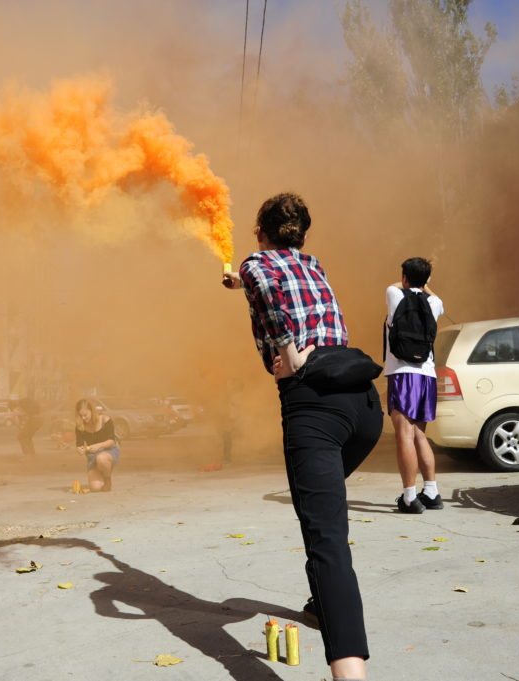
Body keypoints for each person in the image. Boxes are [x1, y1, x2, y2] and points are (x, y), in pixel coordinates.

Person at [223, 192, 382, 681]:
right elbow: (278, 284)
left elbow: (269, 290)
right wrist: (238, 281)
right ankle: (321, 604)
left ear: (259, 232)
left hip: (314, 407)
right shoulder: (312, 265)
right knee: (323, 515)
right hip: (364, 408)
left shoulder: (257, 265)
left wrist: (289, 350)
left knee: (326, 538)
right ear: (302, 235)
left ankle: (350, 675)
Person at [384, 257, 445, 513]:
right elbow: (426, 289)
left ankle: (409, 497)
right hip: (427, 375)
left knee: (404, 435)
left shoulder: (394, 294)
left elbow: (396, 285)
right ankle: (431, 491)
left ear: (405, 277)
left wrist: (414, 279)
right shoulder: (435, 303)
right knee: (420, 434)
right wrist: (424, 281)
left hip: (403, 373)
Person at [74, 398, 120, 492]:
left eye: (85, 415)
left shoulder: (105, 420)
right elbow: (79, 444)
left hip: (108, 451)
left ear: (92, 411)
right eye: (80, 415)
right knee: (95, 488)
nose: (83, 418)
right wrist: (80, 450)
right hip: (92, 455)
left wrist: (98, 446)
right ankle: (101, 471)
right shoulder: (80, 426)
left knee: (101, 459)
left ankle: (107, 478)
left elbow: (111, 441)